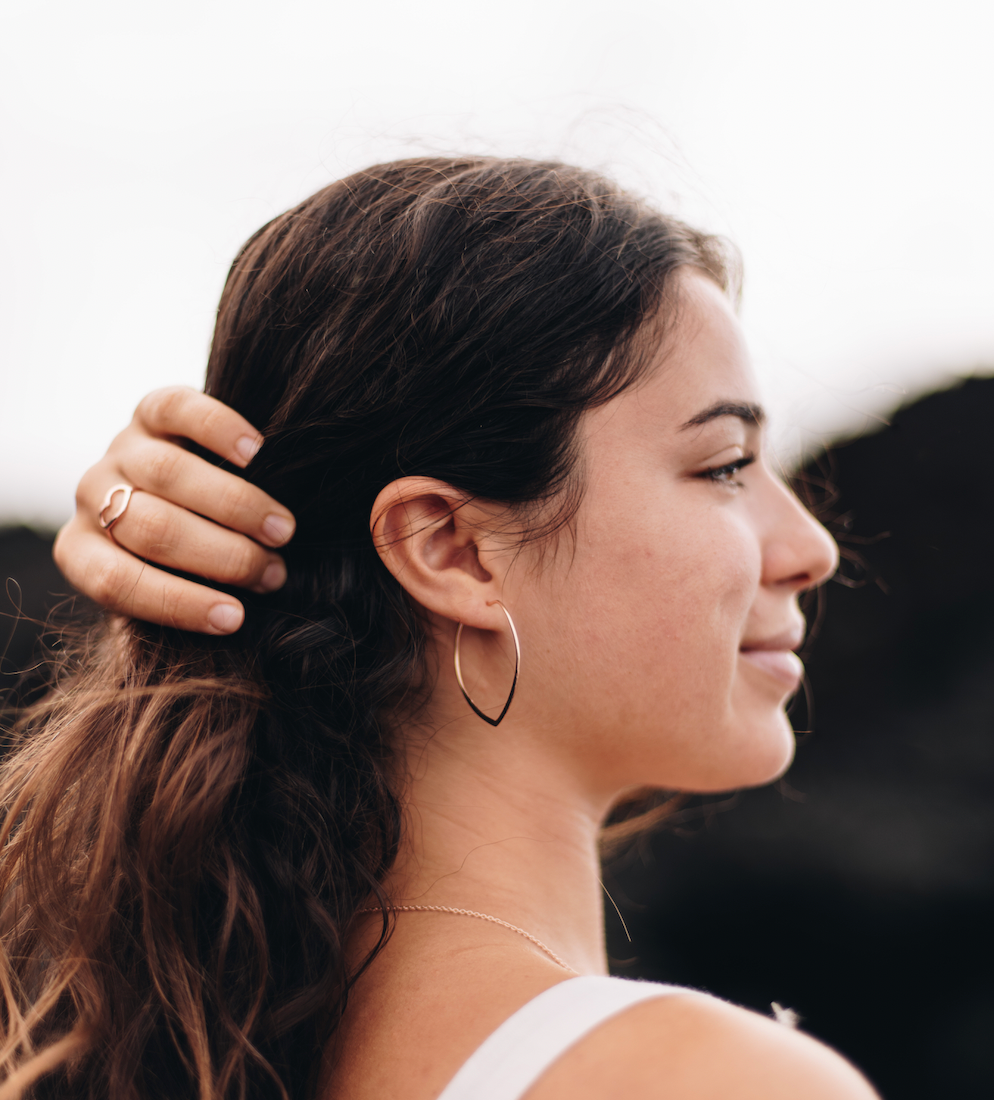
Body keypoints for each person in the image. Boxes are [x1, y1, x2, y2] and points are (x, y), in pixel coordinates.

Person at [2, 157, 876, 1100]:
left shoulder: (161, 1051)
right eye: (724, 465)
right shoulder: (713, 1082)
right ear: (453, 548)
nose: (811, 546)